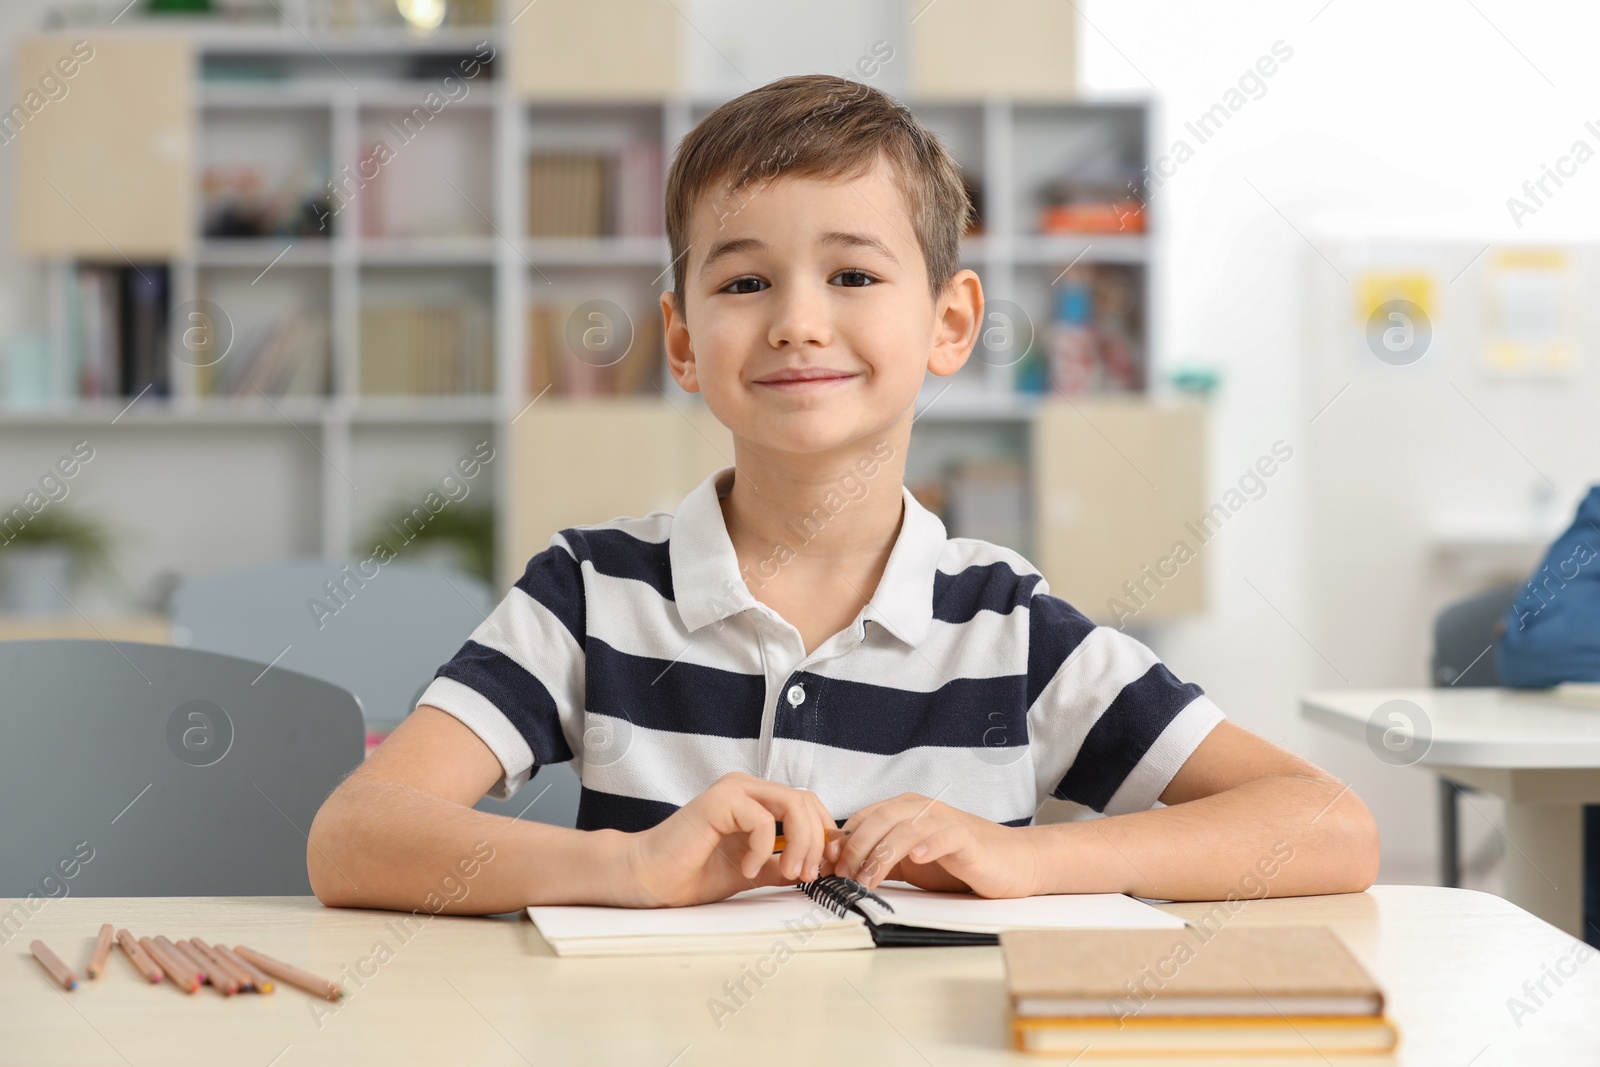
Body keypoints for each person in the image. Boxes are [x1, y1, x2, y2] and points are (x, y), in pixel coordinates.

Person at [306, 74, 1379, 915]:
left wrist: (1027, 858)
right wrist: (631, 866)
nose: (797, 322)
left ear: (950, 323)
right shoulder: (587, 593)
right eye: (742, 281)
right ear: (682, 337)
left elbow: (1325, 823)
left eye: (854, 275)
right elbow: (356, 835)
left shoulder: (1009, 628)